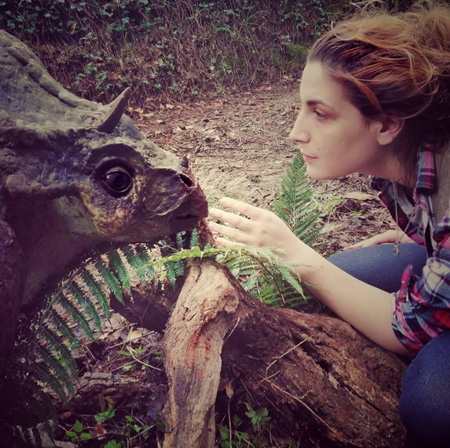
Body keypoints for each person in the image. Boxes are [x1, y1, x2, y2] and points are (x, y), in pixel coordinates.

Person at [208, 1, 450, 447]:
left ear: (388, 124)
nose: (296, 132)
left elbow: (416, 329)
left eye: (320, 113)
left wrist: (296, 254)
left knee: (431, 403)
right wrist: (425, 233)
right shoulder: (408, 155)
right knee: (347, 270)